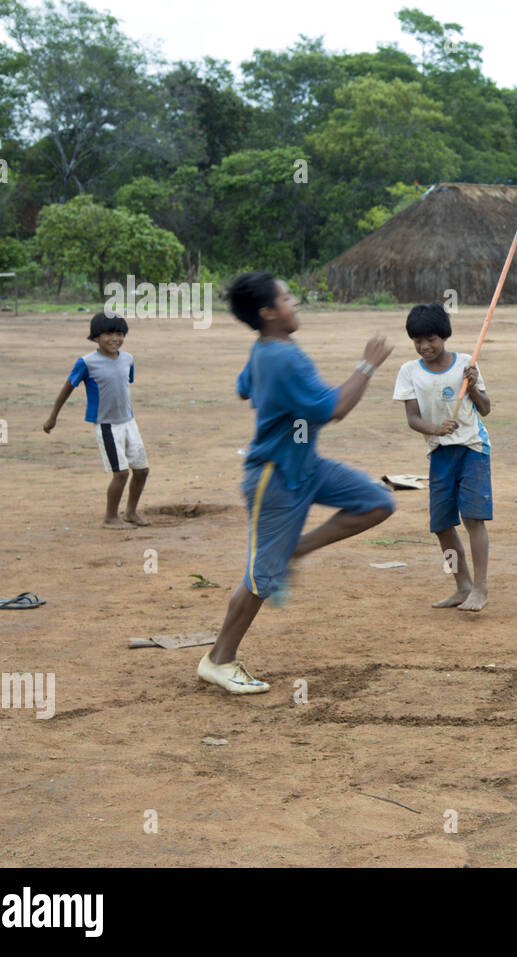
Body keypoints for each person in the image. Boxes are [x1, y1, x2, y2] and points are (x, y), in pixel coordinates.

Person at [198, 272, 395, 694]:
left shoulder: (270, 350)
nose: (295, 302)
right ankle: (218, 660)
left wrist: (282, 406)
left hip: (305, 465)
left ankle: (296, 550)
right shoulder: (281, 357)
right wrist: (367, 365)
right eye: (287, 298)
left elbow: (243, 390)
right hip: (275, 476)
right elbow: (334, 409)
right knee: (261, 576)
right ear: (268, 312)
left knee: (377, 503)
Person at [394, 303, 493, 612]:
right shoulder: (409, 371)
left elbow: (486, 408)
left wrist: (474, 387)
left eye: (432, 339)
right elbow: (412, 418)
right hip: (439, 453)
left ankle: (480, 588)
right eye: (418, 340)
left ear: (445, 336)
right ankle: (461, 585)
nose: (425, 346)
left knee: (473, 519)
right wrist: (436, 428)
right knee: (441, 525)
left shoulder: (466, 363)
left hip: (472, 448)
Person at [42, 311, 151, 528]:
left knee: (141, 470)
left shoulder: (127, 359)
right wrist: (53, 417)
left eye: (120, 333)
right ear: (95, 337)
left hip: (129, 422)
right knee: (120, 473)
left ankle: (130, 512)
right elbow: (67, 389)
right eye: (108, 334)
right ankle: (110, 518)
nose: (115, 339)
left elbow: (123, 384)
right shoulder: (87, 363)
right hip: (107, 425)